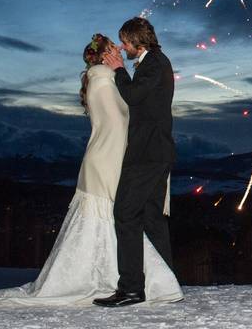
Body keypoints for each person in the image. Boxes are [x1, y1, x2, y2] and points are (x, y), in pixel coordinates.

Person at [0, 33, 181, 307]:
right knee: (120, 216)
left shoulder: (101, 78)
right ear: (103, 56)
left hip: (107, 157)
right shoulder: (103, 78)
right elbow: (119, 123)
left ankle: (130, 282)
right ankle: (123, 283)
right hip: (108, 158)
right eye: (113, 48)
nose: (119, 51)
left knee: (121, 218)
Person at [93, 17, 178, 308]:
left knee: (125, 213)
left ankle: (130, 289)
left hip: (147, 154)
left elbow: (132, 95)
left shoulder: (153, 62)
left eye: (124, 42)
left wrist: (117, 69)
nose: (121, 47)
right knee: (152, 219)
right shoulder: (154, 61)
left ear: (136, 42)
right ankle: (166, 285)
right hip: (155, 152)